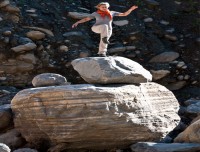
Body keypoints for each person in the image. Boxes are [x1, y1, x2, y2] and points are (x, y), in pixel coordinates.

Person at [72, 2, 138, 57]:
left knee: (104, 40)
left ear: (107, 7)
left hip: (108, 29)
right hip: (96, 28)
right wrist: (77, 22)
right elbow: (86, 19)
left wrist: (131, 9)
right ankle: (104, 38)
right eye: (102, 7)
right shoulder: (96, 13)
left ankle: (102, 53)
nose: (104, 8)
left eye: (105, 7)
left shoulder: (112, 13)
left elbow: (124, 14)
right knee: (104, 28)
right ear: (99, 7)